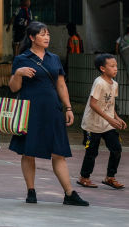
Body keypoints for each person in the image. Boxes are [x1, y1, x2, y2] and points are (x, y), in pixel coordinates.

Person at [8, 21, 88, 206]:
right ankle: (31, 191)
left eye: (48, 34)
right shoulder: (22, 59)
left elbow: (61, 84)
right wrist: (18, 73)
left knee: (58, 152)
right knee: (28, 152)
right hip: (30, 110)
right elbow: (14, 88)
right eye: (43, 34)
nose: (47, 37)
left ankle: (69, 193)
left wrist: (68, 107)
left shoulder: (54, 58)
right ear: (32, 37)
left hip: (52, 109)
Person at [78, 53, 126, 189]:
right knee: (91, 152)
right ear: (102, 68)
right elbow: (93, 104)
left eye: (116, 66)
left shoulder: (114, 84)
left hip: (107, 124)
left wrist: (117, 118)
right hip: (92, 124)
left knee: (116, 148)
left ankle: (110, 177)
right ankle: (84, 177)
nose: (115, 68)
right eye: (112, 66)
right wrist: (110, 119)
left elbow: (110, 104)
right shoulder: (99, 82)